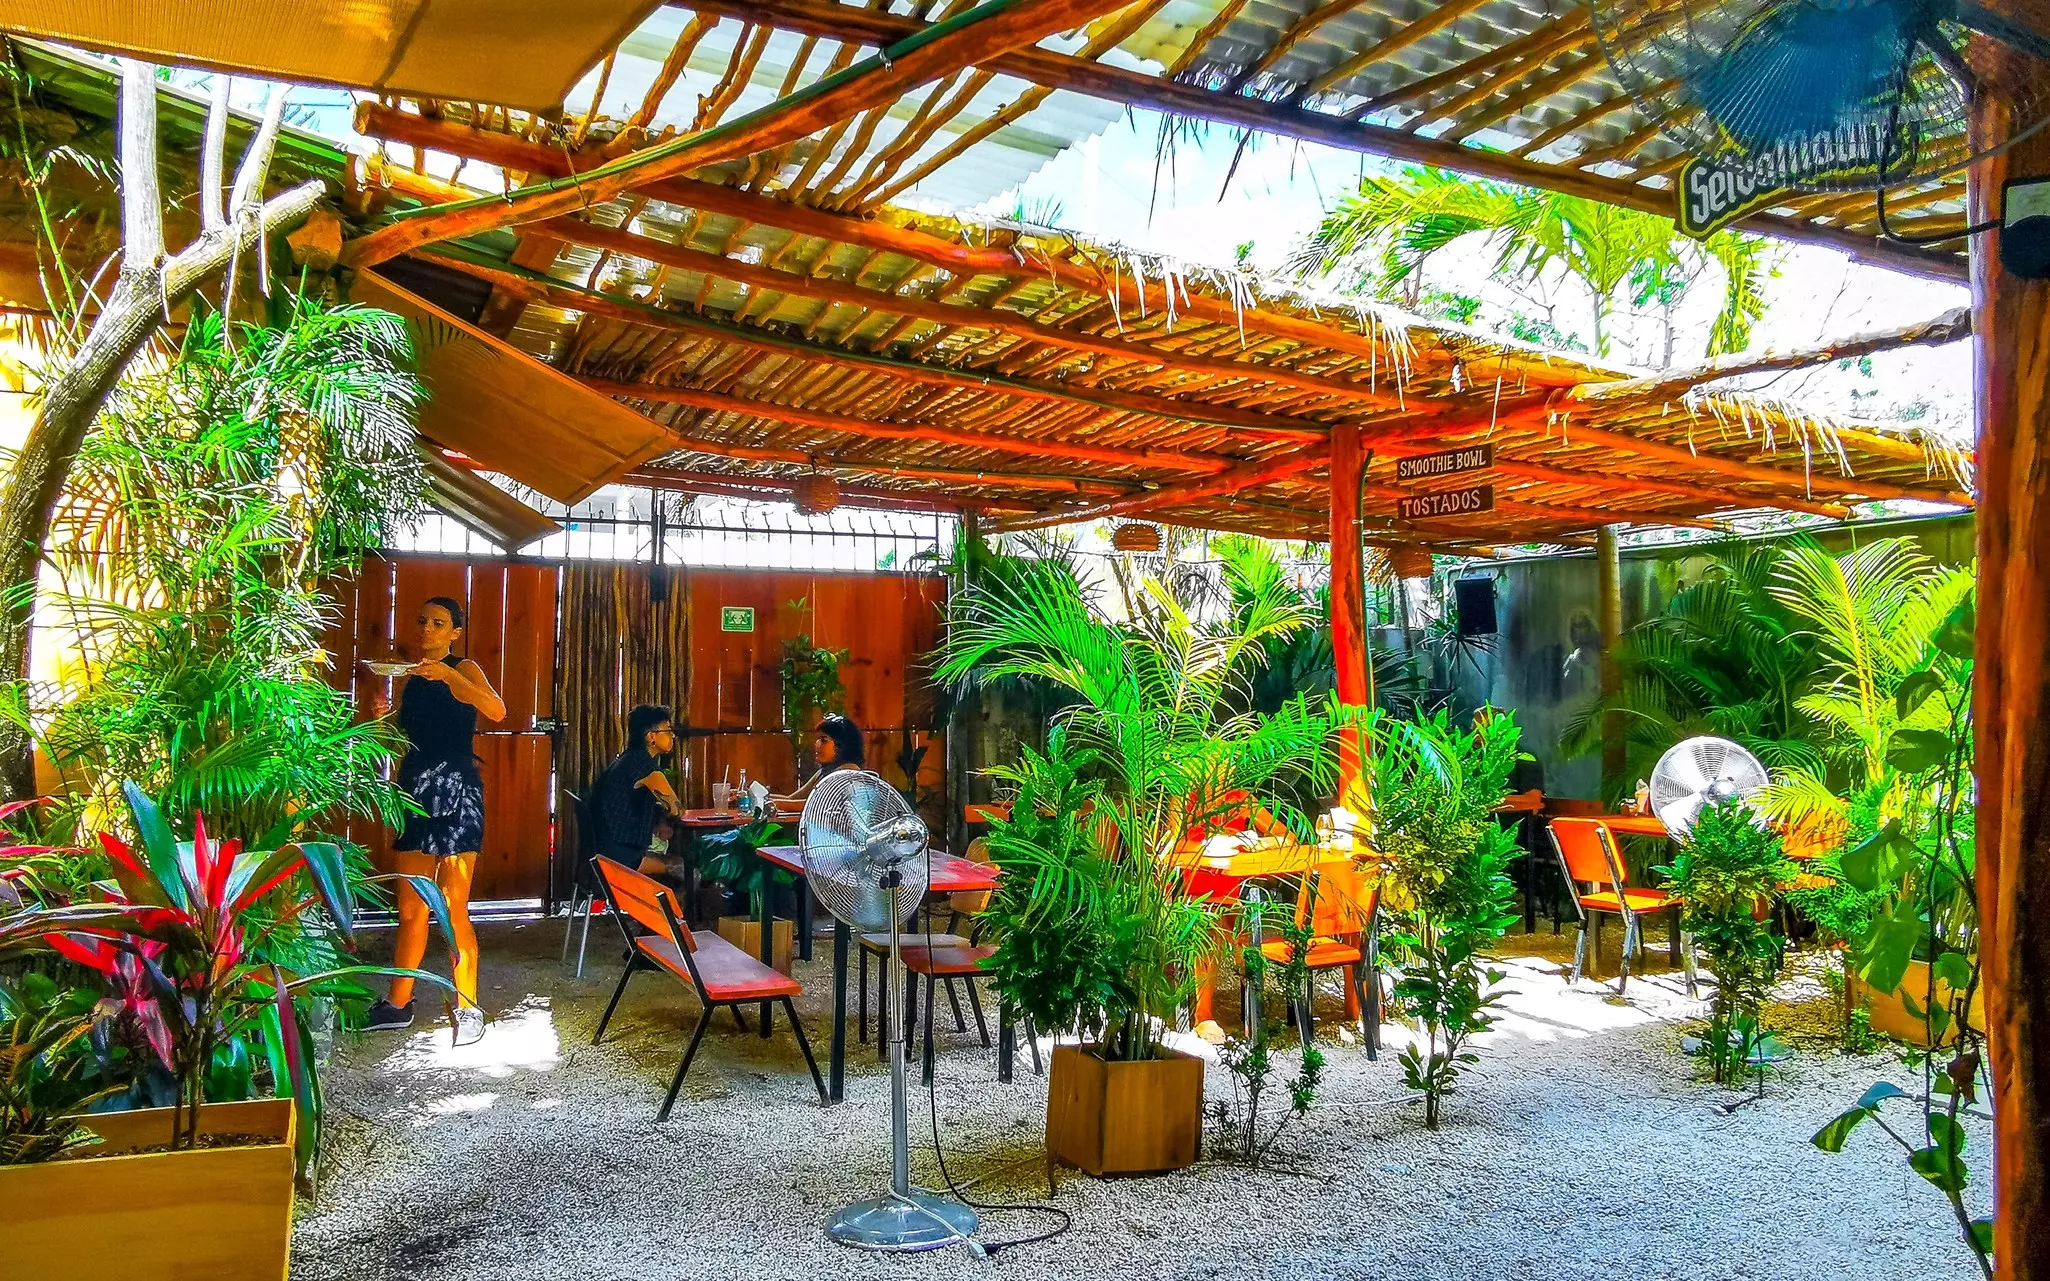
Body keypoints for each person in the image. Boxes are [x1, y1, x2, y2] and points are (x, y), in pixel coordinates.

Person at [362, 597, 506, 1044]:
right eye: (421, 620)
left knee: (453, 906)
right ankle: (398, 1002)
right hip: (415, 791)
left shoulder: (464, 668)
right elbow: (398, 740)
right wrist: (379, 716)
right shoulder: (411, 678)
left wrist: (448, 673)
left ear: (455, 632)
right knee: (410, 908)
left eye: (438, 622)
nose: (427, 627)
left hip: (458, 791)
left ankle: (468, 1005)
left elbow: (497, 710)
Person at [592, 703, 685, 880]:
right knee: (686, 870)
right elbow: (677, 811)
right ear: (651, 737)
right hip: (621, 857)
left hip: (606, 848)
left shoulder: (629, 759)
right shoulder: (648, 769)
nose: (672, 735)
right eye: (667, 730)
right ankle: (669, 909)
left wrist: (659, 821)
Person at [773, 712, 864, 808]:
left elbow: (815, 805)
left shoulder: (848, 773)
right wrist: (763, 799)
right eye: (818, 739)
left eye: (823, 740)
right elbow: (791, 799)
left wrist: (771, 804)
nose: (817, 744)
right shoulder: (823, 772)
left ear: (843, 745)